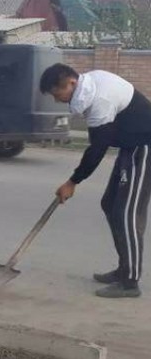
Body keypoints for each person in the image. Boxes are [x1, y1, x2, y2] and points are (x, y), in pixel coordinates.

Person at [41, 63, 151, 298]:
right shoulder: (89, 87)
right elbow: (97, 141)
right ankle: (124, 269)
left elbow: (98, 148)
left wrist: (72, 182)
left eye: (56, 93)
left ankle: (130, 282)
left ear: (70, 83)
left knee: (126, 213)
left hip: (145, 148)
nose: (56, 99)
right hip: (130, 148)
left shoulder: (99, 98)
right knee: (110, 205)